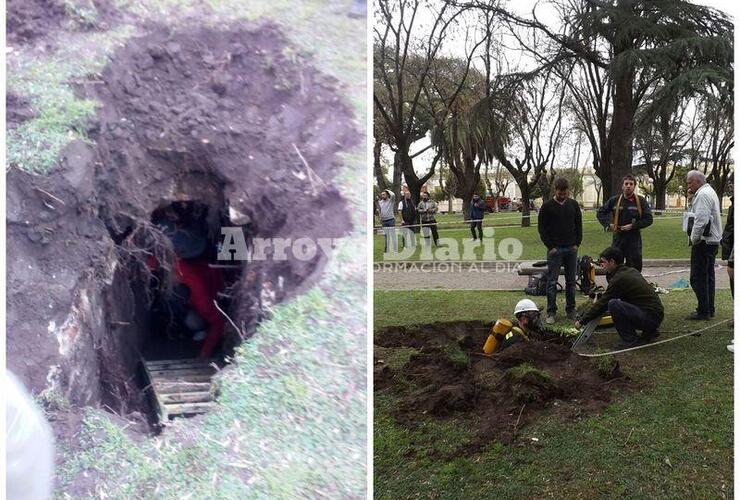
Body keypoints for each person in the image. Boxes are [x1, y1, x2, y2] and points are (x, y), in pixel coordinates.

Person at [575, 247, 664, 349]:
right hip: (656, 315)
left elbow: (603, 303)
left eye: (603, 262)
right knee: (618, 302)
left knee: (614, 304)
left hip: (650, 317)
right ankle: (650, 332)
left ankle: (630, 340)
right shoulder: (630, 270)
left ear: (612, 261)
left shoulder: (619, 278)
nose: (601, 265)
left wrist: (582, 321)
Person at [537, 177, 582, 324]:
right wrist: (550, 247)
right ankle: (551, 312)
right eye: (560, 192)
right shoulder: (547, 207)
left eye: (565, 192)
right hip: (555, 250)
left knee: (571, 281)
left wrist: (577, 243)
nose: (563, 195)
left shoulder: (574, 205)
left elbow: (579, 225)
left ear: (568, 190)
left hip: (571, 248)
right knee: (552, 282)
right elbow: (542, 228)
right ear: (555, 190)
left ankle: (571, 309)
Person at [596, 174, 653, 272]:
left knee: (635, 267)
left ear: (634, 186)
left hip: (634, 239)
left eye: (631, 184)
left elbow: (649, 219)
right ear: (622, 186)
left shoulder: (641, 201)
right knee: (614, 266)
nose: (628, 186)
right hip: (618, 238)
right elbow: (600, 213)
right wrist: (608, 225)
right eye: (626, 184)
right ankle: (615, 285)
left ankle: (633, 285)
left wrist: (633, 226)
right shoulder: (614, 200)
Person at [685, 170, 722, 320]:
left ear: (697, 181)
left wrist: (693, 239)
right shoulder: (708, 191)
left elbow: (700, 220)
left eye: (689, 182)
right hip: (711, 242)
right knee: (708, 277)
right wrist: (690, 199)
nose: (688, 186)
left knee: (698, 277)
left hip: (703, 242)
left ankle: (703, 311)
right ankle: (708, 308)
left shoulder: (703, 195)